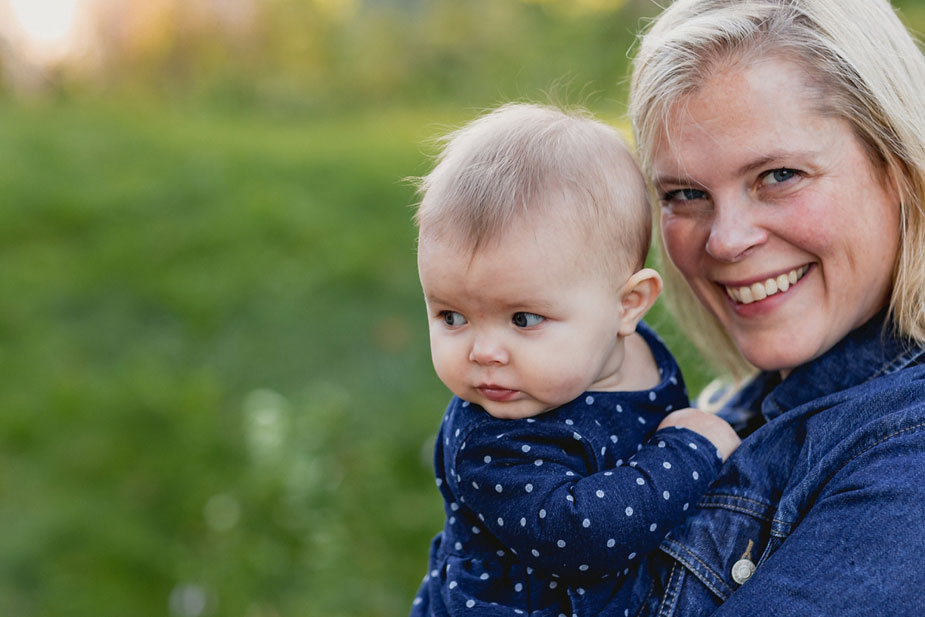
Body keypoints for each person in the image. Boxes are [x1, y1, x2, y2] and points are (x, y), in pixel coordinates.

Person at [618, 0, 925, 614]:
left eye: (779, 175)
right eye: (686, 193)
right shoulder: (738, 410)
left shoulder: (907, 453)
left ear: (899, 169)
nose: (725, 239)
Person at [408, 103, 740, 617]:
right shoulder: (491, 439)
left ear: (626, 306)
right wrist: (688, 453)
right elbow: (582, 537)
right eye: (452, 316)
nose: (484, 352)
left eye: (522, 319)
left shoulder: (634, 351)